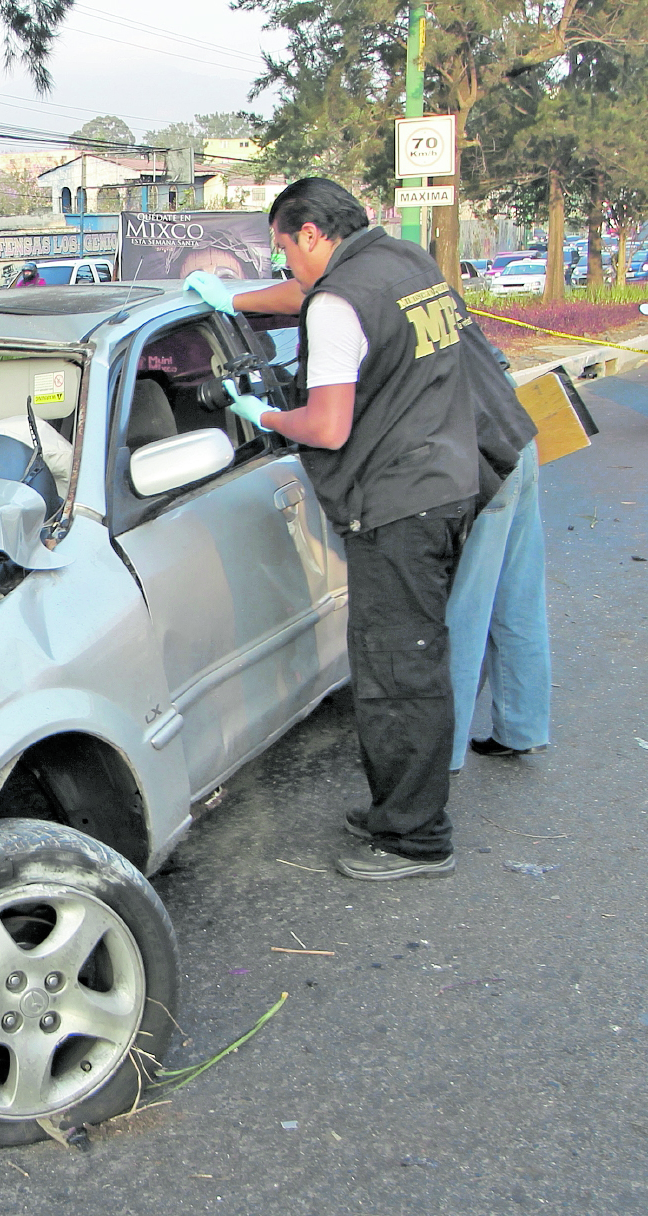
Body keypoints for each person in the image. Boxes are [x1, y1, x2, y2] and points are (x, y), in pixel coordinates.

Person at [191, 177, 483, 882]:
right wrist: (231, 300)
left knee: (396, 673)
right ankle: (400, 812)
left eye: (283, 248)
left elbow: (325, 425)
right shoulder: (403, 262)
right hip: (448, 478)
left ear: (312, 234)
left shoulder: (339, 301)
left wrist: (263, 416)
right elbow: (313, 298)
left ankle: (414, 840)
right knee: (411, 658)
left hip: (396, 504)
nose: (282, 264)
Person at [445, 333, 549, 770]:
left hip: (479, 458)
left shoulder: (352, 301)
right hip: (516, 438)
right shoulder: (425, 290)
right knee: (518, 596)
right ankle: (522, 729)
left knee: (463, 613)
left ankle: (439, 755)